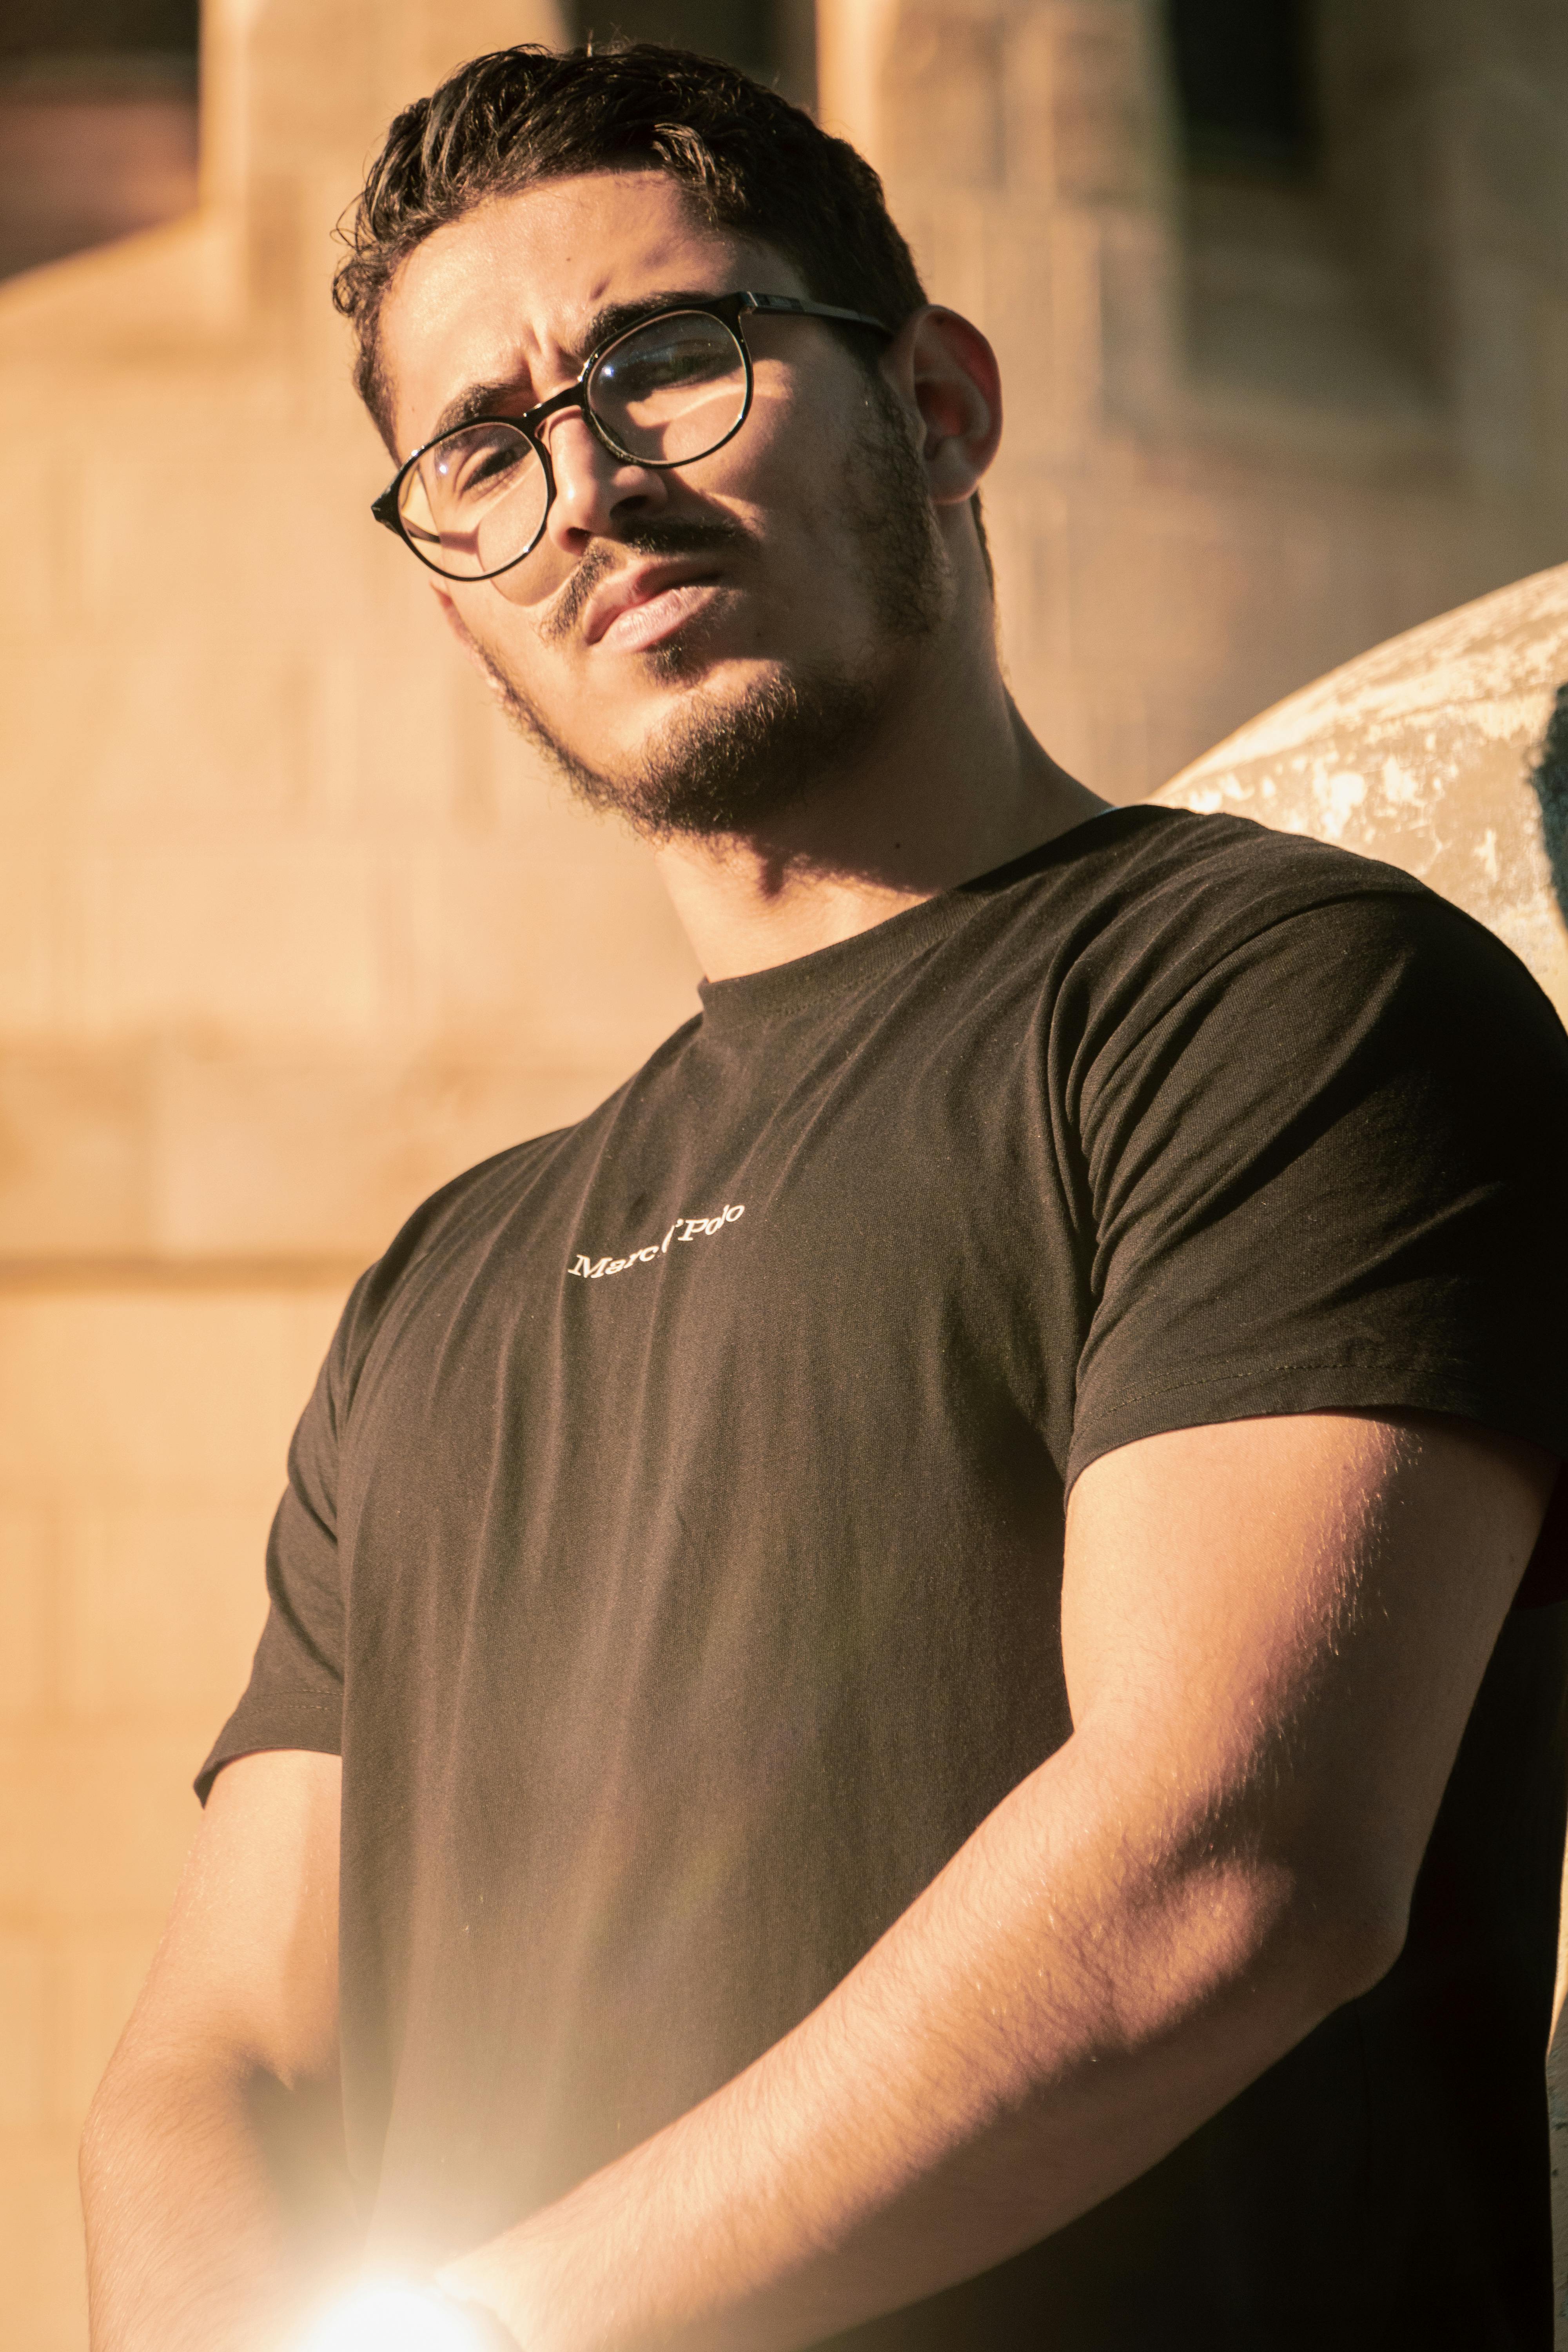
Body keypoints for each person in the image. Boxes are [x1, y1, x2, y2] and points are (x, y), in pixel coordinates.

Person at [80, 41, 1568, 2352]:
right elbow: (219, 2057)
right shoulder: (438, 1289)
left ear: (942, 404)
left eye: (666, 360)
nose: (582, 490)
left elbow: (1225, 1858)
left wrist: (476, 2340)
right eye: (477, 448)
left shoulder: (1280, 1003)